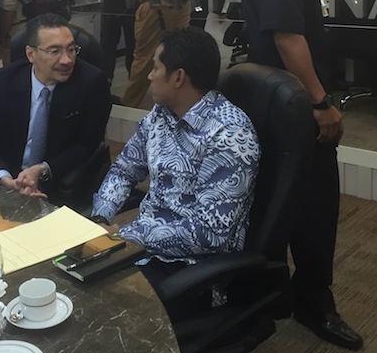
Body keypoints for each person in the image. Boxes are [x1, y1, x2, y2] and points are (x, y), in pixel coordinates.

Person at [241, 0, 363, 350]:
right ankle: (315, 305)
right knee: (313, 207)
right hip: (295, 104)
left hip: (274, 100)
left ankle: (277, 295)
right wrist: (321, 102)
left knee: (278, 199)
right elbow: (288, 36)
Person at [91, 27, 259, 288]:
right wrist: (100, 220)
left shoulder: (229, 134)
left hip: (192, 267)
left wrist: (126, 235)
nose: (149, 75)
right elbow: (125, 171)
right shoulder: (162, 113)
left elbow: (209, 234)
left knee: (97, 297)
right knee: (72, 275)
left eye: (155, 68)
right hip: (142, 247)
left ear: (178, 77)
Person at [0, 13, 111, 205]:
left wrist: (41, 170)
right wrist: (6, 180)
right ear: (31, 54)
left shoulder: (91, 83)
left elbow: (87, 146)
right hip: (5, 178)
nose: (67, 60)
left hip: (55, 183)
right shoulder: (3, 81)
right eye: (54, 51)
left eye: (71, 49)